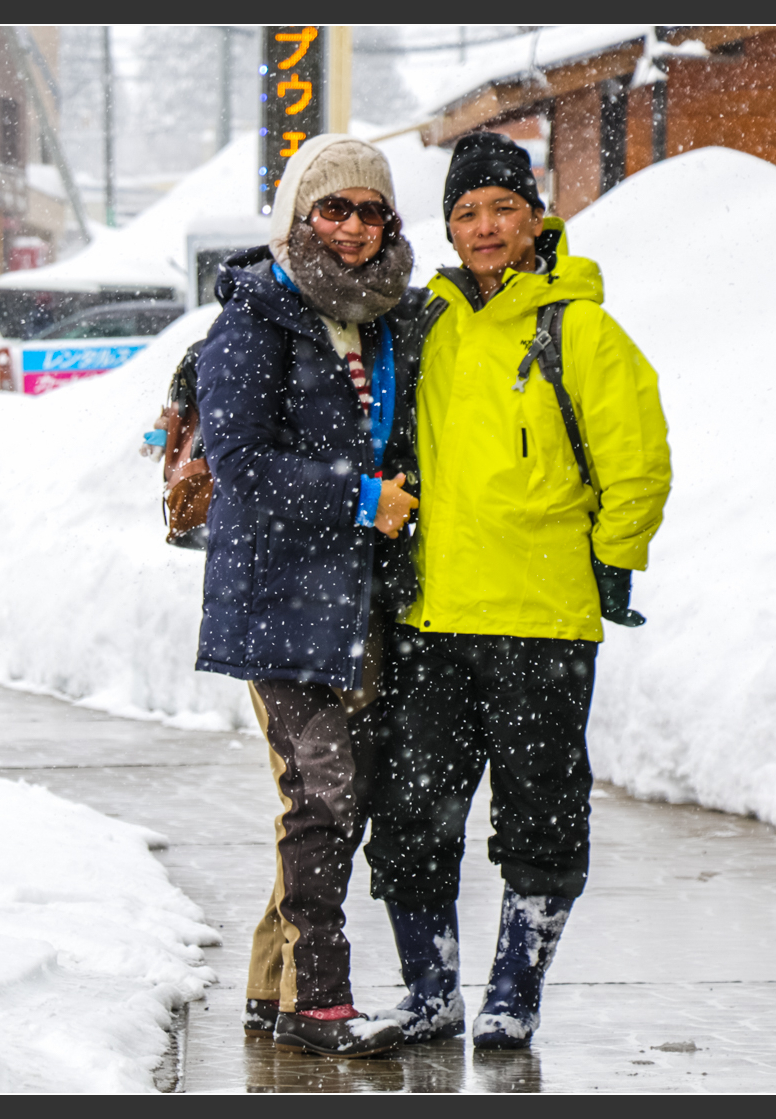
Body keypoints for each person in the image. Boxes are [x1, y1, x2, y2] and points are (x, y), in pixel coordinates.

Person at [365, 132, 673, 1049]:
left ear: (536, 217)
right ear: (449, 228)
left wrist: (597, 561)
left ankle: (513, 991)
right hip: (437, 619)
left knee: (539, 818)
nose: (485, 227)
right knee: (412, 815)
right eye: (466, 213)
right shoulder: (427, 323)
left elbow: (638, 465)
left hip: (543, 625)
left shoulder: (581, 329)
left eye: (502, 208)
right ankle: (430, 990)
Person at [194, 133, 424, 1058]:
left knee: (325, 802)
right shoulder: (253, 321)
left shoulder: (385, 315)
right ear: (298, 217)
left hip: (355, 601)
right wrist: (363, 498)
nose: (355, 227)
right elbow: (242, 465)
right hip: (278, 600)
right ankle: (317, 1003)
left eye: (372, 210)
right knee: (323, 794)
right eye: (335, 209)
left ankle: (270, 987)